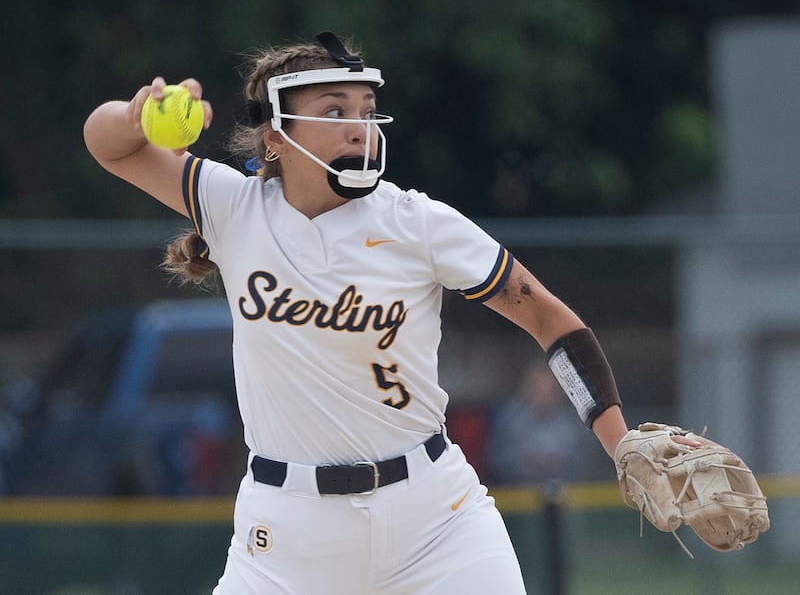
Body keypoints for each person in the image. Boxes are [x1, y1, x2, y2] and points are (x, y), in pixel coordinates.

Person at [83, 32, 698, 594]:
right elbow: (105, 144)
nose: (360, 128)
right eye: (334, 111)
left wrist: (620, 444)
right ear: (276, 137)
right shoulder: (233, 207)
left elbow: (552, 322)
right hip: (286, 539)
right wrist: (136, 116)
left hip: (435, 521)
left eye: (367, 112)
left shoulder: (417, 223)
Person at [487, 361, 597, 485]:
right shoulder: (510, 420)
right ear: (527, 389)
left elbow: (587, 463)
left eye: (549, 392)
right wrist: (526, 462)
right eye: (538, 390)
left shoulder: (575, 423)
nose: (544, 398)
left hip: (570, 494)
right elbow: (497, 461)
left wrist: (558, 463)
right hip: (518, 494)